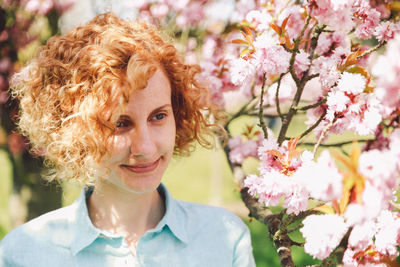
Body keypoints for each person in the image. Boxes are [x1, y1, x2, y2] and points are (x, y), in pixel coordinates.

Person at [0, 13, 255, 267]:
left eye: (158, 116)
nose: (144, 147)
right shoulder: (24, 253)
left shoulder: (224, 239)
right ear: (74, 132)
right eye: (120, 124)